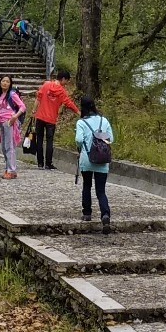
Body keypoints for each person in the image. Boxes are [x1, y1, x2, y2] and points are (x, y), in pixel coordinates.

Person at [74, 94, 115, 231]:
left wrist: (81, 148)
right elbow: (111, 139)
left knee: (87, 185)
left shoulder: (81, 122)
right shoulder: (104, 120)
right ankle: (105, 213)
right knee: (101, 190)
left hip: (87, 158)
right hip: (102, 160)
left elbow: (79, 139)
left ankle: (87, 213)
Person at [31, 67, 74, 169]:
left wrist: (33, 111)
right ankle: (48, 163)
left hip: (40, 116)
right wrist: (77, 111)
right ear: (63, 79)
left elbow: (38, 98)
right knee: (49, 141)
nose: (66, 83)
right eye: (67, 80)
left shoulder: (46, 85)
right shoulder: (61, 90)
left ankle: (40, 163)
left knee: (39, 140)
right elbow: (68, 103)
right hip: (51, 119)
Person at [0, 75, 26, 179]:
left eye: (7, 81)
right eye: (3, 81)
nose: (5, 83)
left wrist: (15, 117)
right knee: (4, 147)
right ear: (0, 82)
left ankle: (12, 170)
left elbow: (22, 106)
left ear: (10, 84)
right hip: (1, 122)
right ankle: (8, 169)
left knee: (9, 146)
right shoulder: (1, 95)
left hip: (9, 122)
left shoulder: (12, 94)